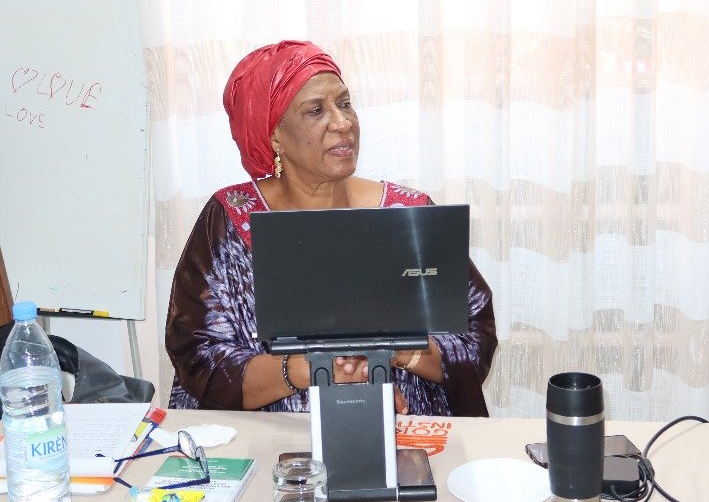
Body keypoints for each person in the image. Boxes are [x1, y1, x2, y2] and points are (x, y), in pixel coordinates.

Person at [165, 40, 497, 416]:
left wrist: (398, 350)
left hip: (403, 433)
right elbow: (199, 355)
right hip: (272, 444)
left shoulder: (408, 213)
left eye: (344, 103)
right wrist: (311, 369)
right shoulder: (231, 220)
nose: (343, 124)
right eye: (316, 110)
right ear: (274, 135)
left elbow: (473, 335)